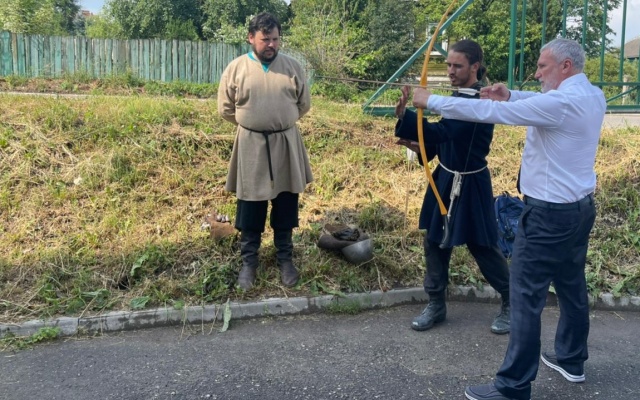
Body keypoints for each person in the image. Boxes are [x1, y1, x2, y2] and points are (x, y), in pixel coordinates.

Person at [412, 38, 605, 400]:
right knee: (571, 285)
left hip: (548, 216)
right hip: (578, 210)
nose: (537, 73)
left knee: (525, 297)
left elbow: (490, 113)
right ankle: (572, 360)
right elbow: (535, 103)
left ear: (566, 66)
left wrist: (431, 101)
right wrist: (510, 94)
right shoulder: (591, 95)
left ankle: (513, 386)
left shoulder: (561, 103)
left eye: (543, 66)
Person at [394, 39, 511, 335]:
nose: (450, 71)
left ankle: (513, 302)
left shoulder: (480, 102)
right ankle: (436, 303)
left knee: (482, 245)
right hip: (445, 178)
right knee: (434, 241)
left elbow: (444, 130)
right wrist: (421, 145)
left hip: (472, 182)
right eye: (448, 65)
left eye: (457, 66)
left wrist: (407, 116)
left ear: (474, 67)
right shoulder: (459, 98)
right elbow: (443, 141)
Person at [217, 12, 312, 290]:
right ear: (251, 38)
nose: (271, 44)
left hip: (285, 143)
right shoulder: (236, 69)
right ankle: (249, 262)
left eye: (275, 39)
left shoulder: (292, 67)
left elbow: (303, 104)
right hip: (251, 145)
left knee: (286, 201)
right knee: (251, 204)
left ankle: (285, 259)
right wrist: (254, 125)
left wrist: (279, 122)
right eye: (265, 39)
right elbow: (225, 108)